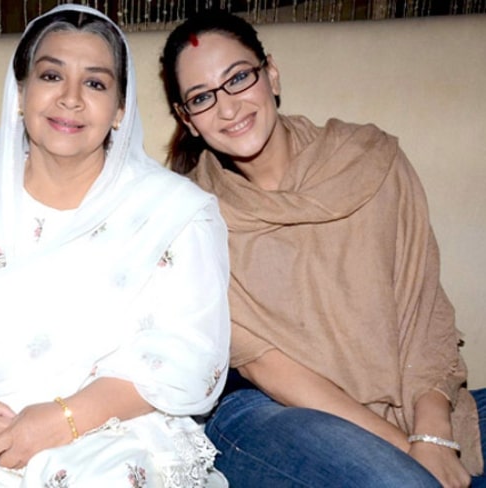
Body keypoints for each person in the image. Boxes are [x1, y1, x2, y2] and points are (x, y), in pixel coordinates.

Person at [0, 5, 231, 487]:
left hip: (112, 440)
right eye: (50, 75)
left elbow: (189, 359)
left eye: (96, 83)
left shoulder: (175, 214)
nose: (70, 99)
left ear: (122, 110)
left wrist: (61, 420)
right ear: (20, 93)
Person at [160, 9, 485, 488]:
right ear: (187, 120)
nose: (228, 108)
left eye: (239, 78)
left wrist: (433, 432)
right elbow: (266, 365)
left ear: (271, 73)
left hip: (415, 396)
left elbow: (424, 310)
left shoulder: (370, 158)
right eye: (203, 98)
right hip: (272, 413)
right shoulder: (190, 216)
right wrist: (411, 452)